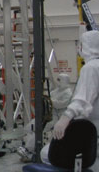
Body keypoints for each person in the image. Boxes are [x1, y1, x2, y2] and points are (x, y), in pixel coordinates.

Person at [41, 30, 99, 168]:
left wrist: (65, 119)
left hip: (90, 131)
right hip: (93, 133)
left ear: (86, 46)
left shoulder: (90, 68)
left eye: (80, 45)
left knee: (46, 154)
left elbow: (82, 100)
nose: (78, 48)